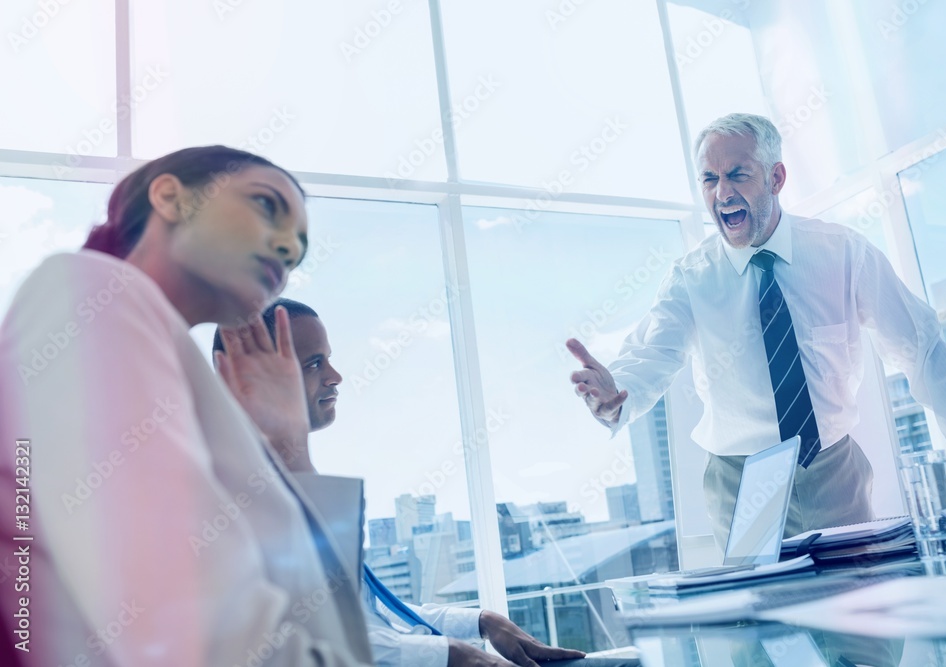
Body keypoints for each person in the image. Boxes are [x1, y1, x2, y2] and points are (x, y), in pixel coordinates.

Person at [0, 146, 373, 666]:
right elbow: (192, 627)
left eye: (299, 249)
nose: (288, 248)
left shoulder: (167, 370)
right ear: (171, 198)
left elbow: (290, 597)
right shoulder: (89, 292)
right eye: (267, 206)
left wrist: (283, 441)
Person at [568, 113, 946, 547]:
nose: (722, 193)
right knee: (765, 611)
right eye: (709, 179)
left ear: (776, 177)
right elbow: (652, 354)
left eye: (738, 174)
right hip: (741, 482)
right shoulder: (691, 278)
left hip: (833, 469)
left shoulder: (843, 253)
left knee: (858, 602)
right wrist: (615, 394)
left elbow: (924, 350)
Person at [214, 299, 640, 667]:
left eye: (328, 358)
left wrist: (480, 622)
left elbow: (370, 614)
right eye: (313, 364)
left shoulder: (289, 478)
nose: (336, 376)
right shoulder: (227, 496)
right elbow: (321, 642)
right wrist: (452, 654)